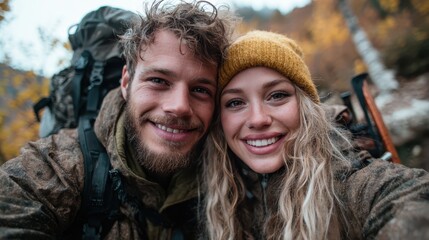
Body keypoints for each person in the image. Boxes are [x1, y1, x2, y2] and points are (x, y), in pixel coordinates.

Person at [0, 1, 236, 239]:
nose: (180, 106)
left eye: (201, 90)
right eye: (158, 81)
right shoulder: (57, 167)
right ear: (126, 83)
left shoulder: (234, 177)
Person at [201, 30, 429, 240]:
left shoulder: (350, 179)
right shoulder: (218, 188)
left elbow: (410, 197)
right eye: (235, 102)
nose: (258, 119)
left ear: (306, 106)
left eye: (277, 95)